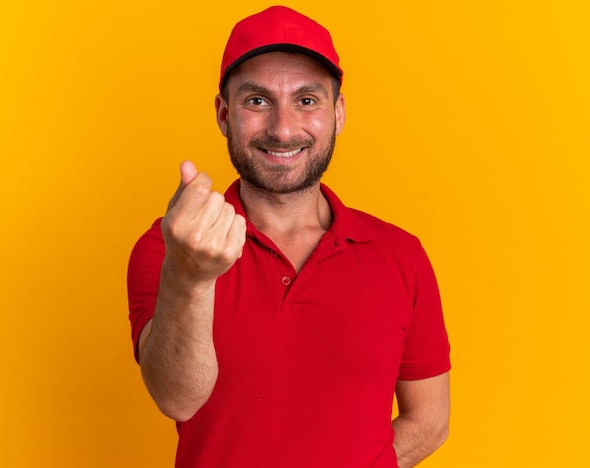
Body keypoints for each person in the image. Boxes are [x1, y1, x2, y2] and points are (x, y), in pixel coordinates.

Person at [127, 6, 451, 467]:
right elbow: (177, 398)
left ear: (337, 113)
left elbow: (430, 420)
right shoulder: (168, 248)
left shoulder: (401, 255)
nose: (282, 129)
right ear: (223, 115)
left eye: (306, 100)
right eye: (257, 101)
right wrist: (190, 277)